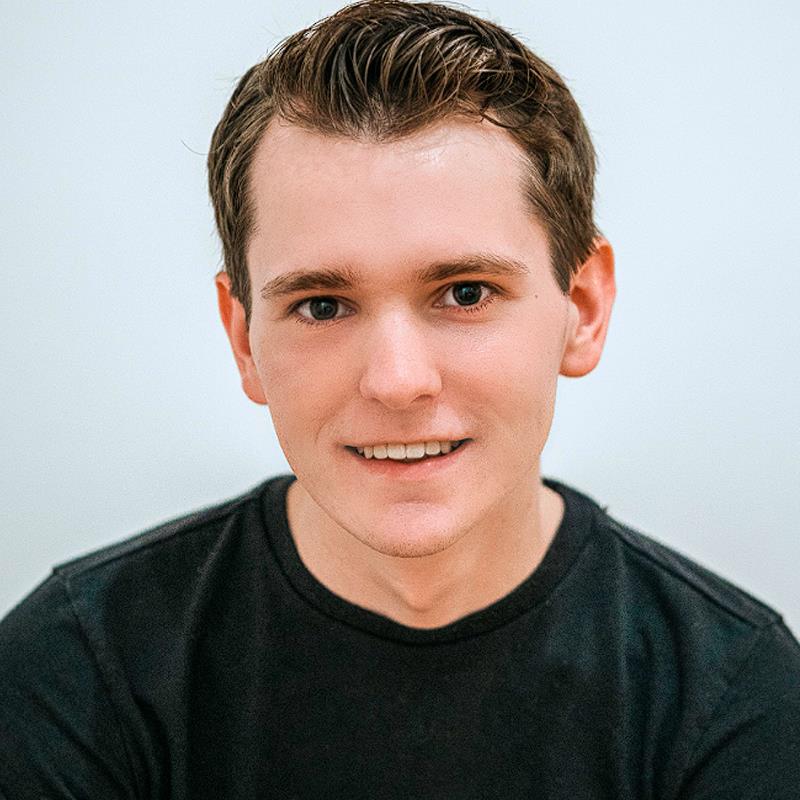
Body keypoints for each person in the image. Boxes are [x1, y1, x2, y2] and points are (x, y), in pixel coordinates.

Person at [1, 0, 798, 797]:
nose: (397, 380)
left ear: (582, 310)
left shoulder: (734, 698)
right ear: (244, 339)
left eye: (466, 292)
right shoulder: (77, 672)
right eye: (322, 305)